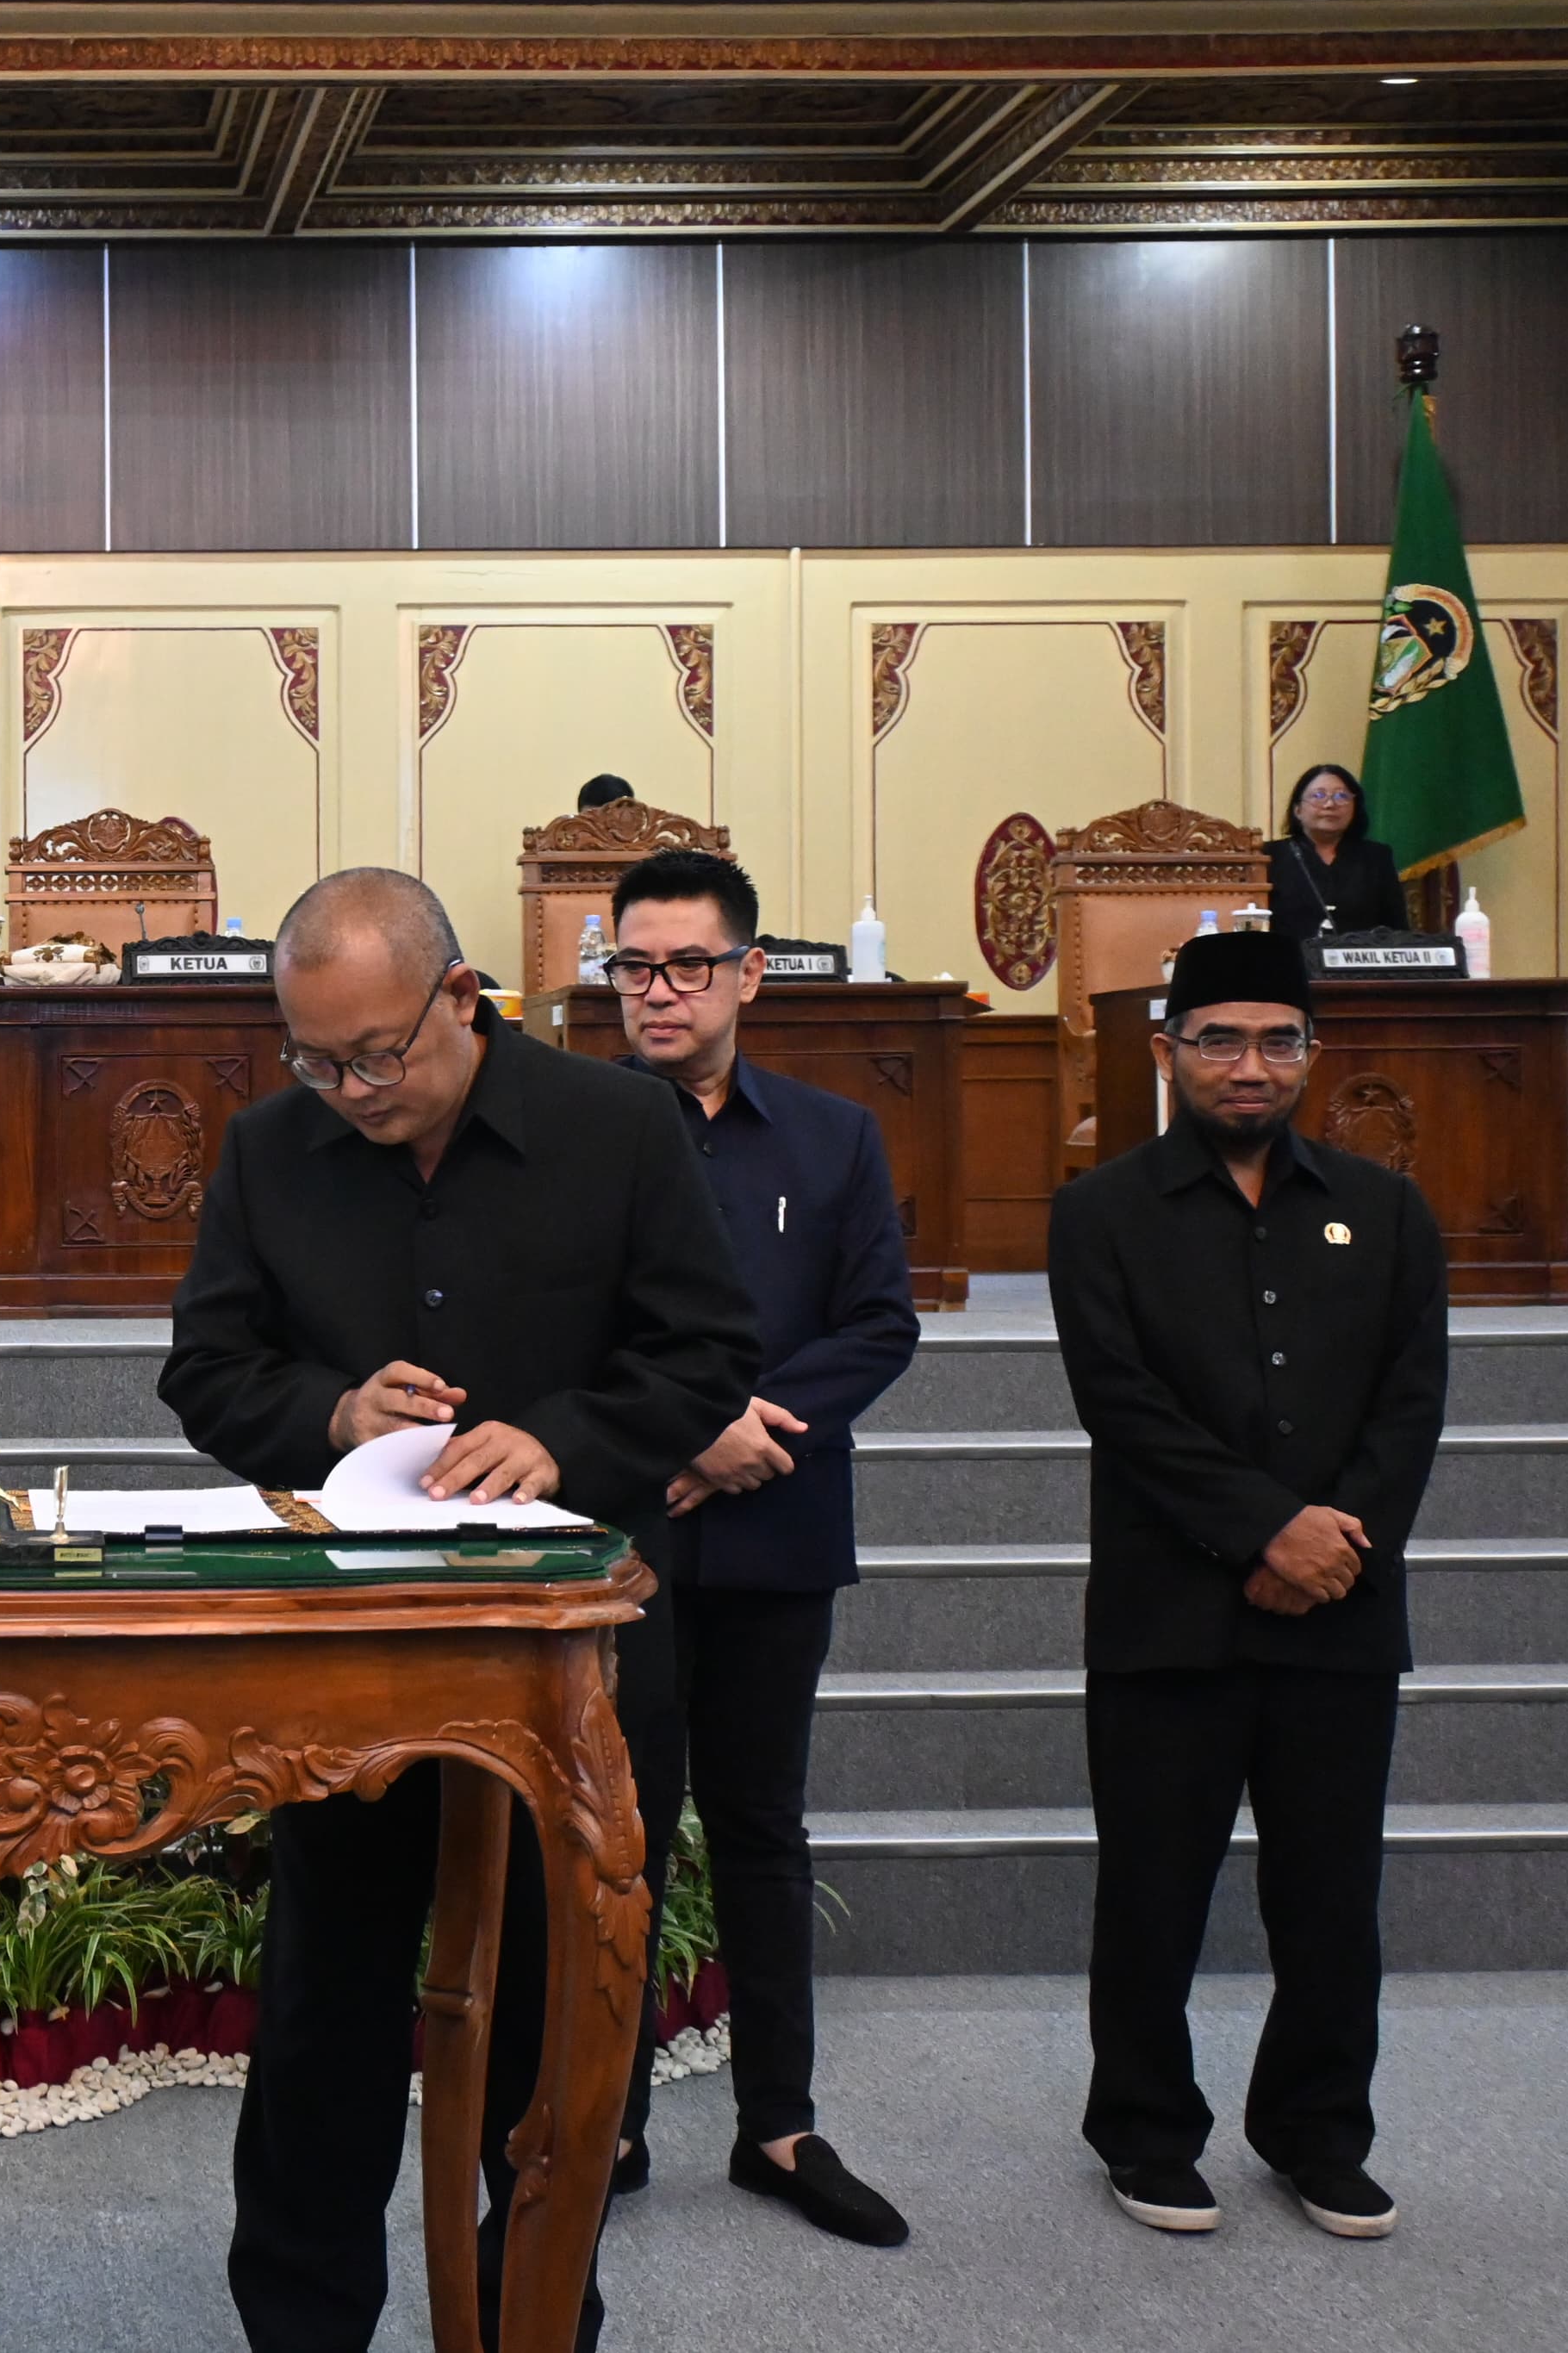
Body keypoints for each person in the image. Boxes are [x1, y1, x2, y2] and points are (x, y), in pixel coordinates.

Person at [160, 867, 759, 2352]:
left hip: (570, 1665)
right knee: (324, 2015)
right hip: (353, 1662)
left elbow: (703, 1351)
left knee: (554, 2029)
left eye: (379, 1053)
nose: (351, 1089)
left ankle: (531, 2312)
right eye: (315, 1058)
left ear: (462, 994)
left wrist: (567, 1441)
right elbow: (208, 1369)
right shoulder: (267, 1151)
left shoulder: (614, 1129)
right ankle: (304, 2321)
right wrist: (330, 1410)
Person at [1047, 929, 1446, 2243]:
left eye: (1279, 1039)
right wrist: (1270, 1532)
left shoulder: (1386, 1210)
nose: (1250, 1064)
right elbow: (1124, 1407)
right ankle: (1148, 2130)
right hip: (1169, 1614)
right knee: (1153, 1892)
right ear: (1167, 1052)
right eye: (1219, 1038)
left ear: (1312, 1054)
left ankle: (1319, 2131)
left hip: (1343, 1612)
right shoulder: (1101, 1211)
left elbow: (1410, 1405)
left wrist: (1336, 1542)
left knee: (1332, 1898)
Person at [596, 849, 918, 2249]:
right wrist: (674, 1436)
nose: (656, 994)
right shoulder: (568, 1132)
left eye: (684, 966)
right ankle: (600, 2119)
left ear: (748, 974)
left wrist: (745, 1431)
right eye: (631, 966)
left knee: (762, 1829)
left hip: (778, 1525)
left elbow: (878, 1324)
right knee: (619, 1837)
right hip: (627, 1532)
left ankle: (778, 2125)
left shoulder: (834, 1136)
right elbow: (542, 1329)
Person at [1262, 762, 1406, 947]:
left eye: (1341, 796)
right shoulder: (1269, 856)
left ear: (1354, 808)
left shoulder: (1377, 857)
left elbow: (1396, 927)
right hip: (1290, 968)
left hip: (1361, 969)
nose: (1330, 804)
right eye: (1319, 796)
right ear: (1297, 809)